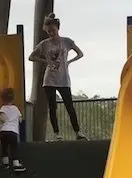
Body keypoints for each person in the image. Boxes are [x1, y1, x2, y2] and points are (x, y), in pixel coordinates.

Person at [28, 12, 88, 141]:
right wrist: (46, 61)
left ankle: (78, 132)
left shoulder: (66, 41)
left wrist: (69, 62)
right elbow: (31, 57)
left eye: (53, 30)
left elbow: (80, 53)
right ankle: (57, 134)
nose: (51, 33)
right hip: (49, 79)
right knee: (52, 107)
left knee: (69, 106)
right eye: (49, 31)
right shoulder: (44, 44)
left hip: (63, 78)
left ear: (57, 28)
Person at [0, 88, 26, 173]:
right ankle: (16, 164)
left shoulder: (3, 108)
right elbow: (20, 119)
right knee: (14, 147)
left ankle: (5, 163)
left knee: (4, 147)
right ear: (13, 98)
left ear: (2, 99)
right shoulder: (15, 108)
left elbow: (3, 119)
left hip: (4, 131)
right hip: (13, 132)